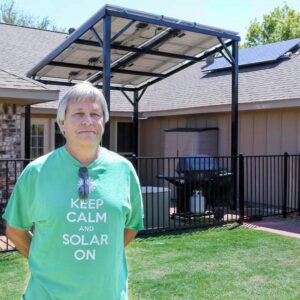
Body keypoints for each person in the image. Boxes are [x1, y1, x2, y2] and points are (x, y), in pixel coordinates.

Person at [2, 81, 144, 299]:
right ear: (62, 122)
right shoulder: (36, 172)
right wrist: (45, 260)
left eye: (95, 114)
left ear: (103, 123)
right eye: (78, 114)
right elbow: (15, 230)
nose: (88, 120)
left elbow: (131, 226)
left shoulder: (123, 170)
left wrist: (101, 256)